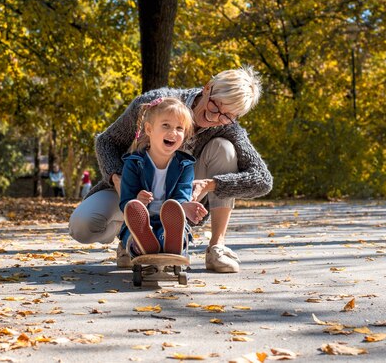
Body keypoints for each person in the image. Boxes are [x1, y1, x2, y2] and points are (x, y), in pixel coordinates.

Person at [68, 66, 273, 272]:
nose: (215, 118)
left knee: (224, 149)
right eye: (214, 107)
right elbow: (106, 142)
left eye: (227, 116)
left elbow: (262, 180)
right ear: (208, 88)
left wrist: (209, 185)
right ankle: (129, 238)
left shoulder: (226, 126)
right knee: (82, 227)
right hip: (133, 187)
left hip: (180, 193)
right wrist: (119, 179)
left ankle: (216, 248)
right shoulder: (155, 104)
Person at [119, 97, 207, 258]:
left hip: (171, 223)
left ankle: (169, 241)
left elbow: (181, 196)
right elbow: (126, 201)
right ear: (149, 129)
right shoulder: (134, 163)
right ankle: (140, 244)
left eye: (179, 128)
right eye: (166, 125)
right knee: (132, 231)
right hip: (141, 222)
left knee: (177, 230)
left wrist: (184, 207)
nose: (173, 133)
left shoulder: (184, 165)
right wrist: (137, 200)